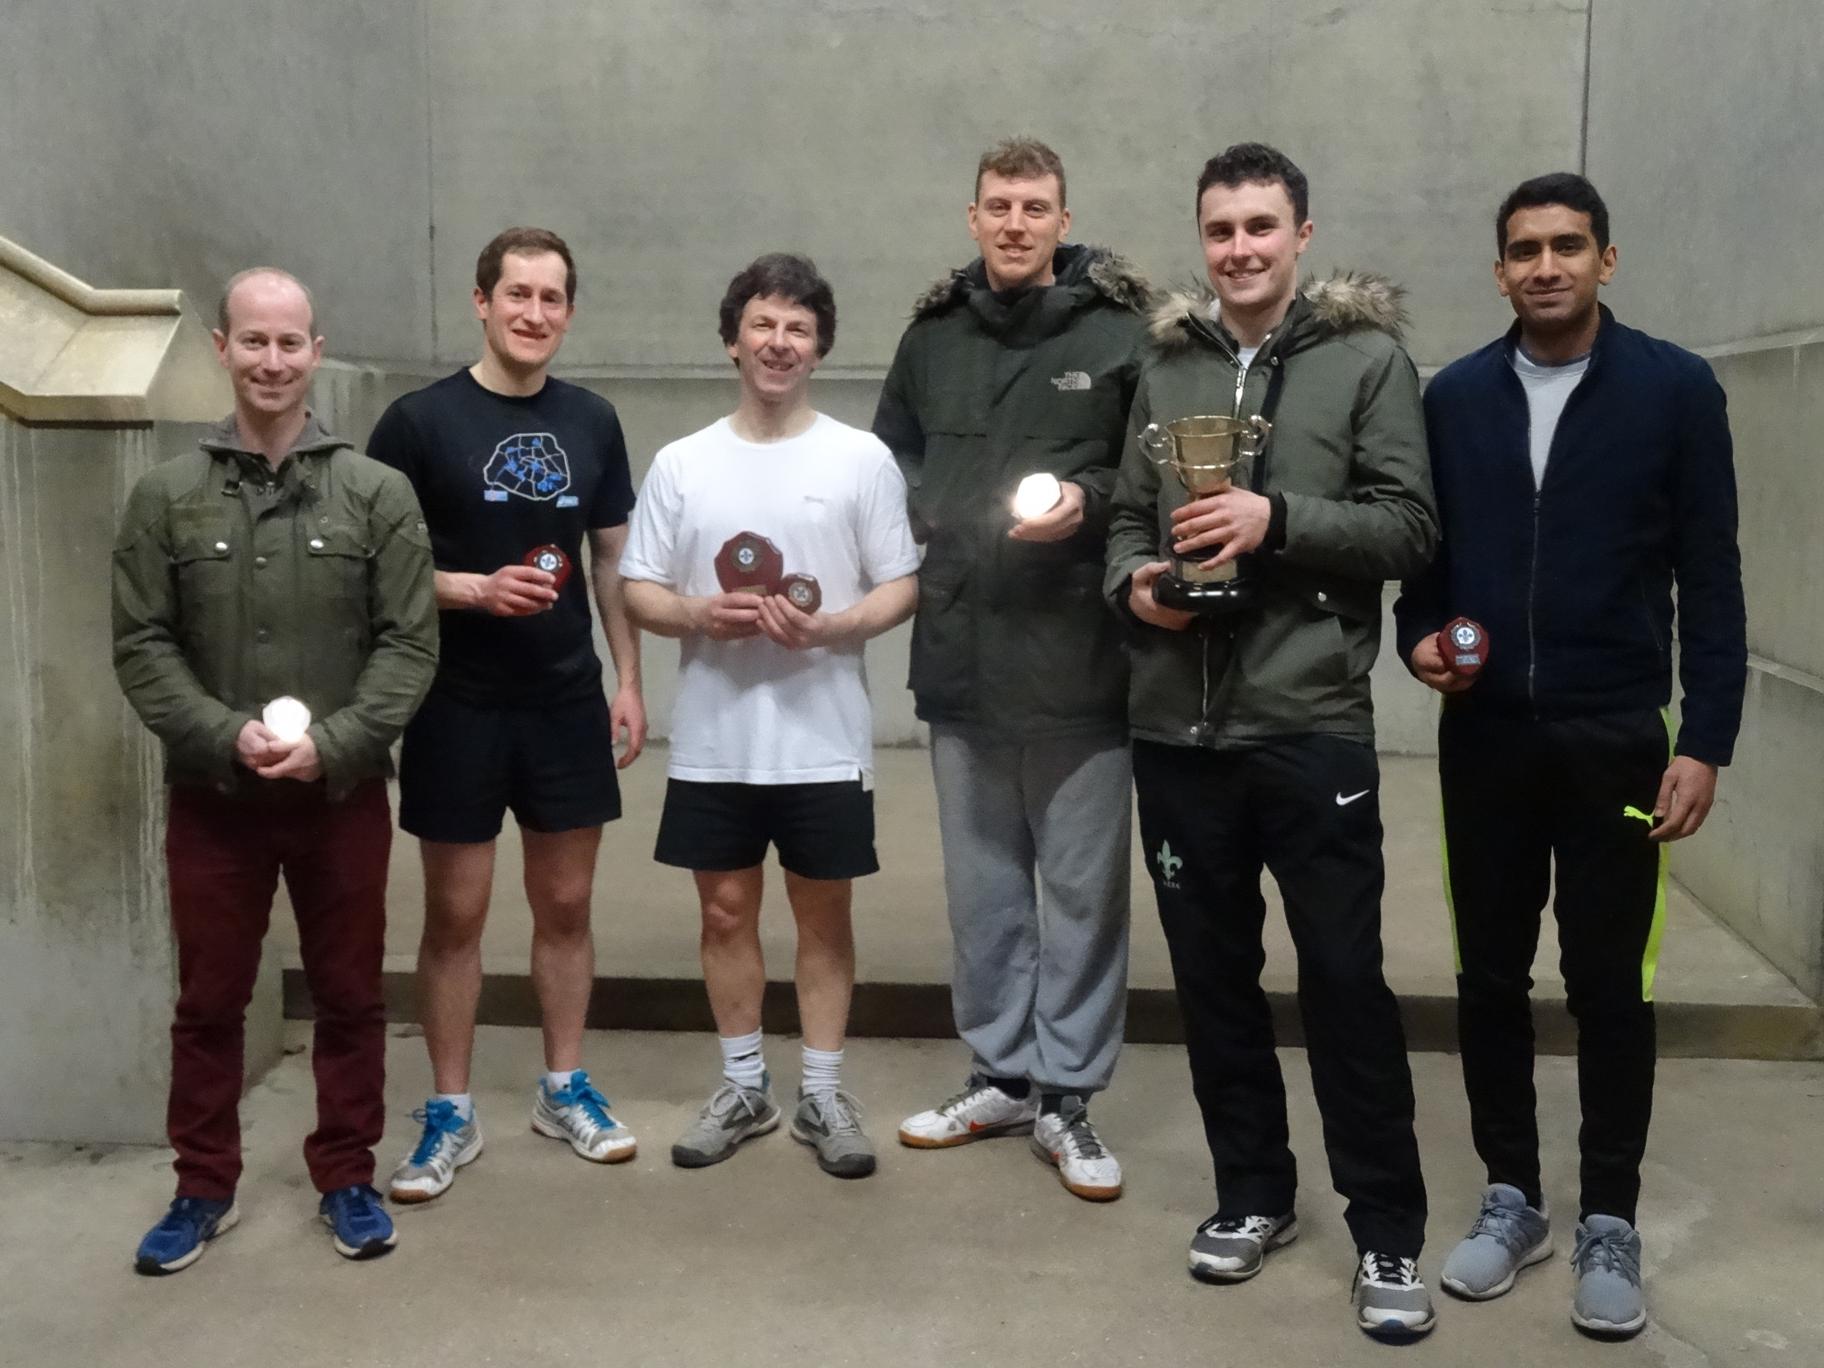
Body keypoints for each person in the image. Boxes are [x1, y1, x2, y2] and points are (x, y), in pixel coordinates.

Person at [1394, 172, 1746, 1339]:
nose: (1546, 265)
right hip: (1485, 738)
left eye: (1568, 245)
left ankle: (1610, 1218)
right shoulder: (1453, 398)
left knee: (1610, 989)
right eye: (1524, 250)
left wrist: (1705, 739)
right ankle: (1512, 1199)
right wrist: (1419, 646)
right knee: (1490, 980)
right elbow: (1424, 576)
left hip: (1618, 741)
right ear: (1498, 271)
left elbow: (1714, 572)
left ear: (1607, 258)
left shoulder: (1676, 391)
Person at [1105, 143, 1439, 1338]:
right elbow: (1126, 513)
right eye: (1220, 229)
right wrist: (1134, 581)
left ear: (1302, 233)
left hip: (1308, 726)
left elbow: (1406, 527)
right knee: (1212, 979)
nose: (1238, 248)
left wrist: (1274, 516)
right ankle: (1253, 1193)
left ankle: (1387, 1231)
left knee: (1345, 981)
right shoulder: (1167, 364)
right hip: (1176, 730)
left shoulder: (1367, 362)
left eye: (1260, 225)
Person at [114, 268, 437, 1271]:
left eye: (289, 343)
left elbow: (409, 645)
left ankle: (346, 1174)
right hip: (214, 798)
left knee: (349, 996)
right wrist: (221, 734)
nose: (272, 362)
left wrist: (335, 747)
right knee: (209, 1000)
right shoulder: (165, 495)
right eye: (252, 342)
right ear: (222, 347)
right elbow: (142, 644)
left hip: (339, 799)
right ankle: (202, 1185)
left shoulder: (376, 493)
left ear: (316, 350)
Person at [871, 137, 1148, 1202]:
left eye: (1037, 206)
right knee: (986, 893)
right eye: (999, 205)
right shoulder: (933, 335)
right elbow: (891, 452)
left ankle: (1069, 1100)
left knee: (1080, 893)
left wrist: (1085, 501)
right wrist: (921, 512)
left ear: (1064, 219)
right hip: (960, 659)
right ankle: (1001, 1075)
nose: (1017, 223)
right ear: (973, 217)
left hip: (1081, 662)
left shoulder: (1120, 336)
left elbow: (1152, 471)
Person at [621, 253, 918, 1179]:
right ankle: (744, 1084)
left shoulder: (859, 458)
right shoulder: (683, 464)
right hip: (715, 741)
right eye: (762, 324)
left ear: (819, 347)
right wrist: (698, 614)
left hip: (823, 741)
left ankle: (823, 1090)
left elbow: (901, 583)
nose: (778, 342)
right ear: (732, 339)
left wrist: (830, 626)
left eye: (797, 327)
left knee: (824, 917)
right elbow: (638, 588)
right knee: (722, 911)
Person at [368, 227, 647, 1203]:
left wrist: (628, 678)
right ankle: (449, 1109)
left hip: (565, 700)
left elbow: (611, 558)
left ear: (569, 311)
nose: (534, 313)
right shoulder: (416, 423)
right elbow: (380, 567)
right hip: (456, 703)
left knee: (565, 907)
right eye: (517, 294)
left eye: (552, 298)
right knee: (455, 914)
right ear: (481, 303)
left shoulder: (593, 420)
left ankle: (562, 1086)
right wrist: (472, 592)